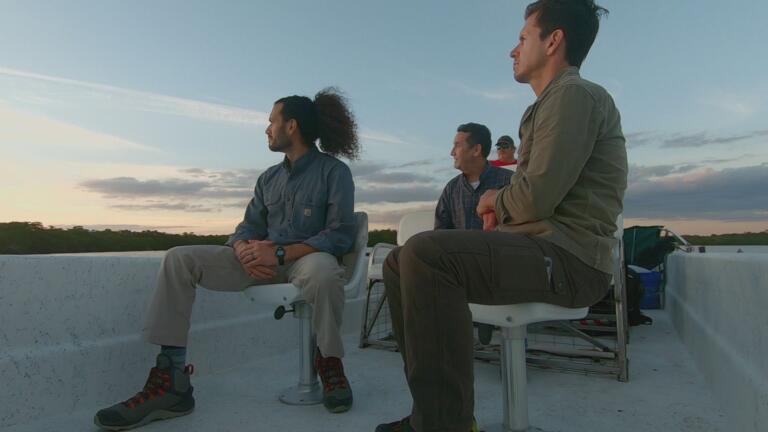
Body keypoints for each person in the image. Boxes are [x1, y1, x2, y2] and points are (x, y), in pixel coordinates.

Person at [376, 1, 627, 431]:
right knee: (399, 261)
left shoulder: (574, 96)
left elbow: (534, 200)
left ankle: (445, 425)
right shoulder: (548, 105)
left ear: (554, 41)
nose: (513, 50)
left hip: (572, 261)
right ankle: (433, 414)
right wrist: (502, 212)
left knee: (425, 253)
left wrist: (495, 199)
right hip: (542, 250)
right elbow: (533, 202)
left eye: (523, 38)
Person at [94, 88, 361, 431]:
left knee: (324, 271)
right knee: (179, 259)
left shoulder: (334, 172)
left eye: (272, 121)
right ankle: (172, 382)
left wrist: (280, 252)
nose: (267, 129)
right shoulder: (268, 178)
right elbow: (246, 228)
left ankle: (329, 361)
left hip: (305, 260)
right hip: (260, 264)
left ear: (291, 126)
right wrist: (243, 250)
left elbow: (339, 235)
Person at [435, 123, 513, 230]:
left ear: (476, 150)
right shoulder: (450, 189)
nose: (452, 152)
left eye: (457, 145)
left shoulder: (511, 181)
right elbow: (440, 233)